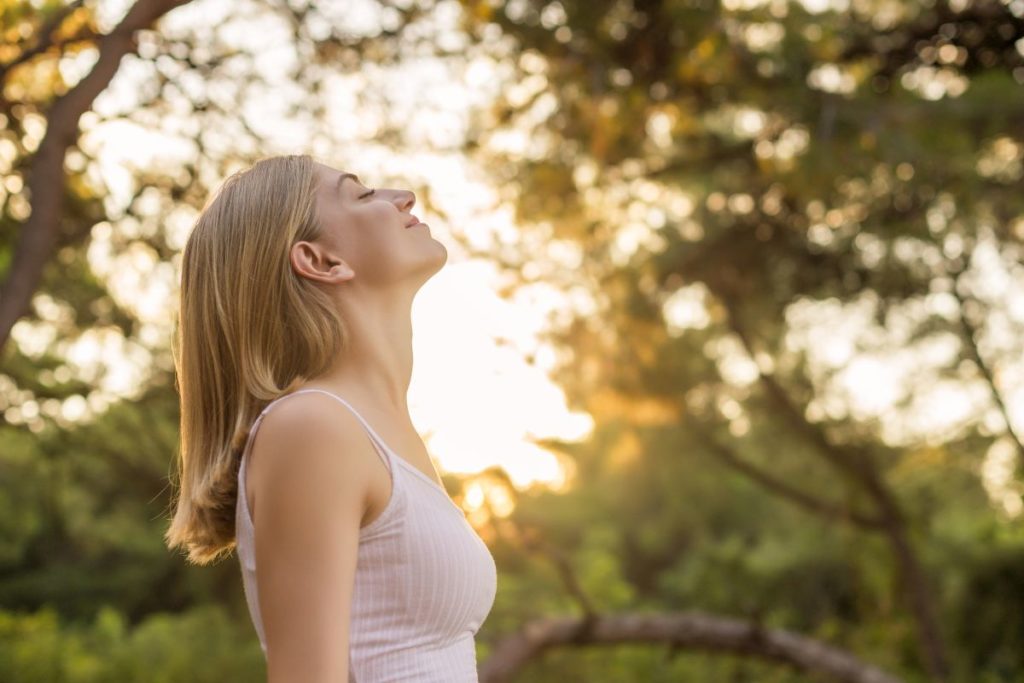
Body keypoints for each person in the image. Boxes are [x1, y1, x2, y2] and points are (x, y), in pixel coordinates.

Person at [164, 154, 498, 682]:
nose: (403, 195)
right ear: (319, 261)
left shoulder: (377, 429)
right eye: (363, 196)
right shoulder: (314, 428)